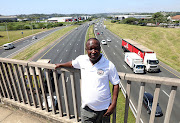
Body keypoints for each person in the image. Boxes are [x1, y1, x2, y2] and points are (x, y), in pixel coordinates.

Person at [55, 38, 120, 123]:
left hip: (104, 110)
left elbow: (116, 84)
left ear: (100, 49)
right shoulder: (82, 60)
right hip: (87, 109)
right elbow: (72, 64)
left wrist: (113, 104)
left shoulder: (109, 65)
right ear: (86, 50)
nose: (93, 51)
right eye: (90, 49)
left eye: (96, 48)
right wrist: (61, 64)